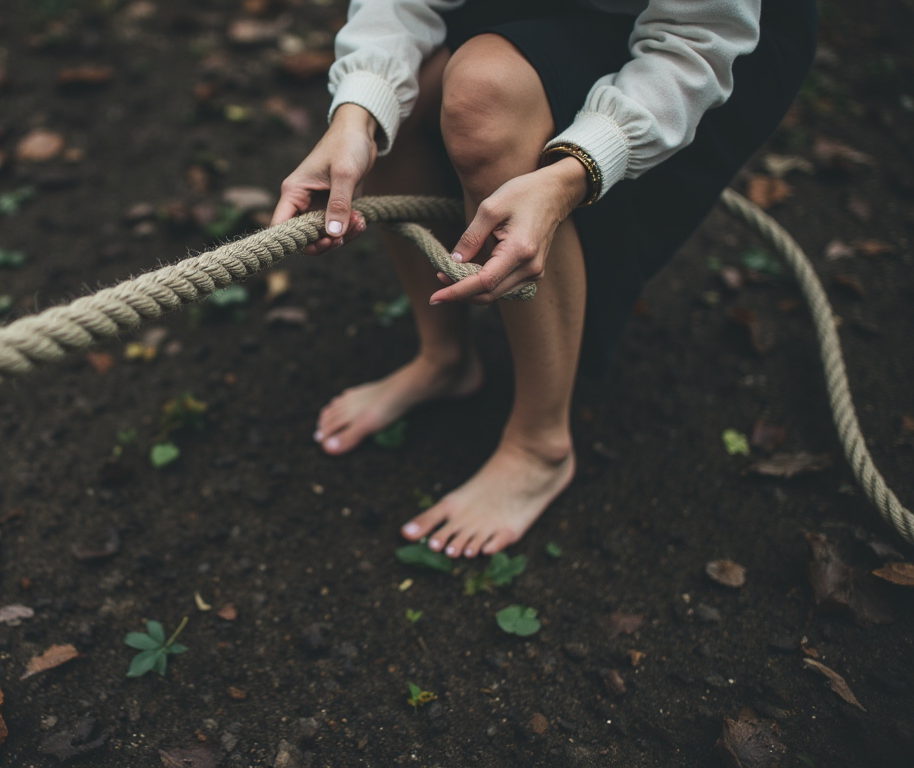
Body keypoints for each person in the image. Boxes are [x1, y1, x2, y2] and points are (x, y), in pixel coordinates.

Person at [270, 0, 816, 559]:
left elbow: (696, 43)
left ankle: (540, 446)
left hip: (703, 47)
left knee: (486, 95)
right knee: (401, 103)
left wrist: (571, 175)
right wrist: (356, 114)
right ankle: (444, 358)